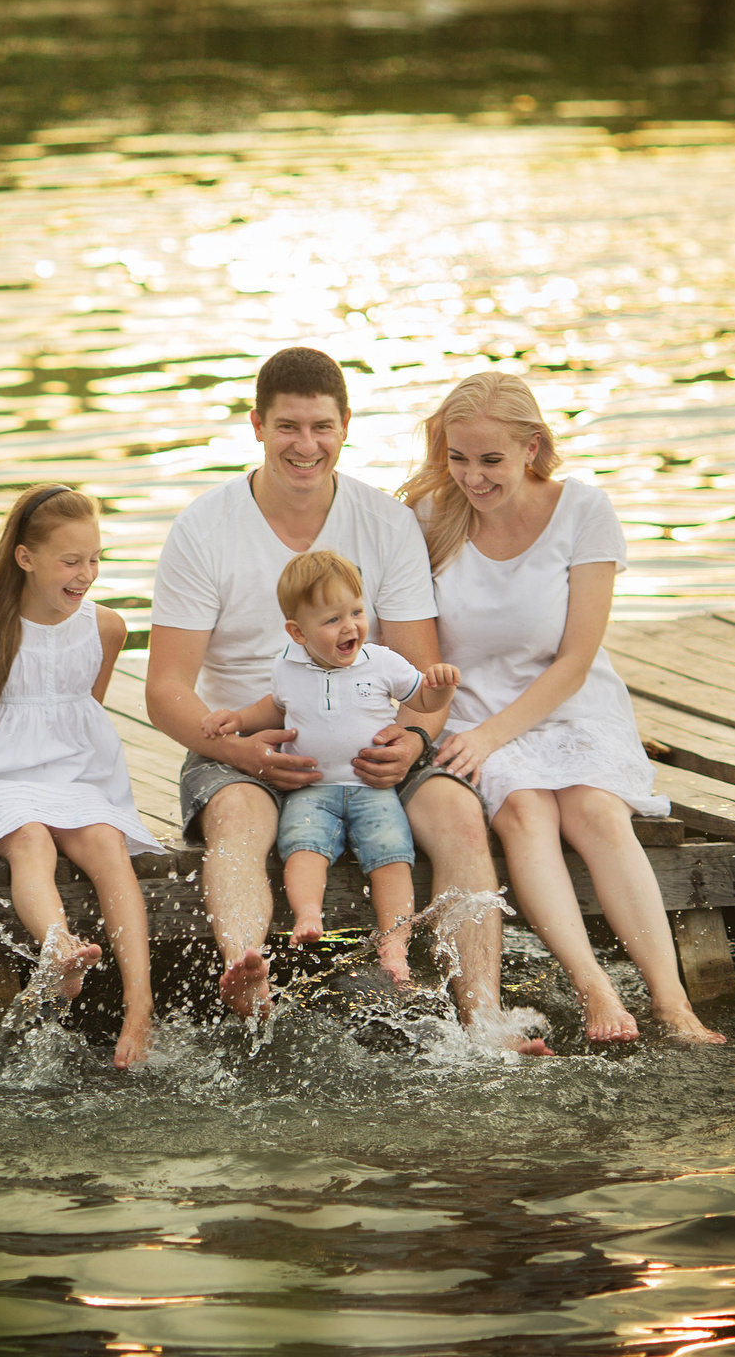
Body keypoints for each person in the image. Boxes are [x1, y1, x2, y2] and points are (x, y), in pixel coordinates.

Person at [146, 347, 537, 1050]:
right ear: (257, 425)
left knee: (457, 810)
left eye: (321, 426)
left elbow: (423, 676)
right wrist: (241, 751)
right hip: (249, 743)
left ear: (346, 424)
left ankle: (485, 1019)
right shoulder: (203, 529)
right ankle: (248, 978)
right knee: (235, 818)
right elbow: (165, 689)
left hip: (370, 748)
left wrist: (413, 741)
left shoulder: (384, 523)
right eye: (288, 427)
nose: (306, 445)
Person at [400, 371, 725, 1045]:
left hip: (570, 702)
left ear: (532, 445)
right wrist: (479, 735)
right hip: (472, 710)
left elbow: (576, 658)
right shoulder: (429, 516)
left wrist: (495, 735)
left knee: (595, 810)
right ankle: (594, 986)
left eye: (491, 459)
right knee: (525, 809)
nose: (473, 477)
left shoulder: (582, 510)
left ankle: (672, 1002)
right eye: (458, 457)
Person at [0, 484, 160, 1068]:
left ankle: (139, 1003)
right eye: (70, 561)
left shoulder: (106, 628)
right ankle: (59, 950)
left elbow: (83, 712)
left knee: (106, 845)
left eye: (95, 559)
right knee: (30, 838)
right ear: (25, 557)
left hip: (73, 772)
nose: (85, 573)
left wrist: (79, 790)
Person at [200, 549, 459, 984]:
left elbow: (422, 701)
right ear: (298, 632)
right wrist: (238, 720)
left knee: (392, 857)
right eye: (332, 620)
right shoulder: (287, 665)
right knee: (302, 849)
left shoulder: (382, 662)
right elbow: (274, 706)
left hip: (373, 788)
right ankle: (308, 916)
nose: (350, 626)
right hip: (312, 789)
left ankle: (394, 941)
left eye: (356, 611)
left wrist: (442, 690)